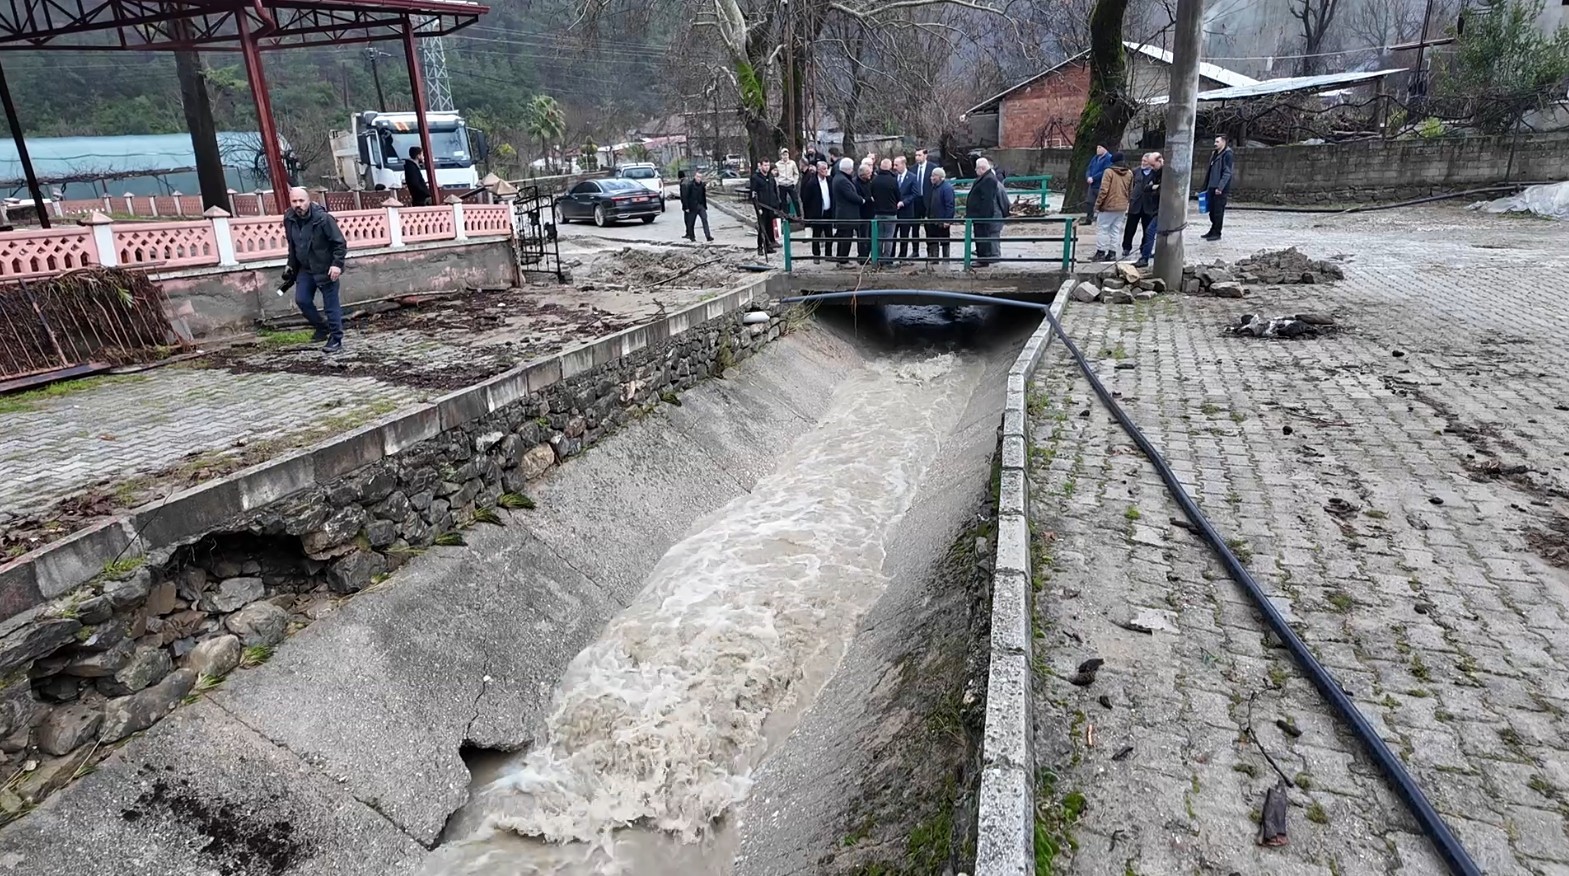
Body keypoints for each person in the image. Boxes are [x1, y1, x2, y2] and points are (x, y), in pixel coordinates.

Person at [283, 187, 348, 353]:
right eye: (294, 201)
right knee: (302, 299)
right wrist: (290, 264)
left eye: (301, 201)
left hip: (325, 268)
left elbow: (339, 243)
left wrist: (337, 265)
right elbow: (293, 245)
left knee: (330, 305)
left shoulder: (323, 219)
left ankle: (336, 338)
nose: (298, 205)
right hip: (305, 268)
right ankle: (322, 327)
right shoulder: (289, 218)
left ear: (309, 201)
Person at [967, 157, 1008, 265]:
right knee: (985, 237)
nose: (975, 171)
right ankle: (987, 257)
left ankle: (988, 258)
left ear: (982, 168)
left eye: (976, 169)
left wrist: (984, 217)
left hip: (985, 216)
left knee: (989, 237)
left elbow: (988, 200)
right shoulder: (988, 179)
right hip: (983, 216)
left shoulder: (989, 180)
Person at [1092, 152, 1133, 262]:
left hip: (1108, 205)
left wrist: (1098, 204)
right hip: (1122, 206)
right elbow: (1130, 190)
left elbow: (1104, 190)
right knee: (1115, 230)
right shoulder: (1129, 173)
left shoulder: (1109, 172)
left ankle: (1100, 252)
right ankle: (1112, 253)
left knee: (1103, 229)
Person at [1130, 153, 1163, 268]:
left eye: (1153, 165)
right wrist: (1155, 187)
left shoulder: (1165, 173)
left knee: (1150, 231)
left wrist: (1155, 187)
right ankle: (1148, 255)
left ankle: (1144, 257)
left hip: (1163, 208)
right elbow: (1147, 188)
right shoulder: (1156, 173)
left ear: (1160, 161)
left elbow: (1163, 189)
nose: (1152, 168)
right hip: (1155, 207)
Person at [830, 157, 864, 264]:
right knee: (846, 238)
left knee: (843, 238)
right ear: (849, 169)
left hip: (844, 213)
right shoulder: (842, 180)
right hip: (846, 214)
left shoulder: (839, 177)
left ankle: (841, 259)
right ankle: (843, 260)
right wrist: (861, 200)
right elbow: (850, 195)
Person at [800, 160, 834, 263]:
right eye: (824, 169)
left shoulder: (829, 180)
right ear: (818, 170)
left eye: (827, 168)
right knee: (816, 235)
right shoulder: (812, 183)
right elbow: (806, 199)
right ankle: (816, 255)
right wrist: (810, 214)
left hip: (828, 211)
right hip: (817, 213)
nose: (826, 171)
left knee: (829, 235)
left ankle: (828, 254)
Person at [1204, 135, 1234, 241]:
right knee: (1212, 210)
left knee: (1218, 211)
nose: (1215, 144)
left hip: (1220, 188)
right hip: (1212, 186)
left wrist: (1220, 187)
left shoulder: (1227, 154)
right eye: (1215, 141)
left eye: (1217, 142)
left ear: (1224, 142)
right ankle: (1212, 229)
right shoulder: (1215, 154)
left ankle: (1217, 232)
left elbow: (1227, 172)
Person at [870, 158, 900, 264]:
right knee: (888, 237)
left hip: (878, 212)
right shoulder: (893, 180)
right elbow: (898, 196)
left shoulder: (875, 180)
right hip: (891, 213)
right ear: (890, 167)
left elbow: (872, 194)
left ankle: (876, 259)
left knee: (878, 236)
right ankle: (886, 259)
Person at [924, 166, 956, 264]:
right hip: (932, 219)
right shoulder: (933, 188)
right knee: (933, 239)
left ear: (940, 177)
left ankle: (946, 259)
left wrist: (948, 220)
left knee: (944, 240)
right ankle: (934, 259)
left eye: (934, 176)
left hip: (942, 219)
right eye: (931, 175)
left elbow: (950, 205)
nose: (931, 178)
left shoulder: (947, 188)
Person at [749, 159, 781, 254]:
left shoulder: (771, 178)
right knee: (762, 227)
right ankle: (760, 247)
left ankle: (769, 246)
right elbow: (753, 194)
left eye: (768, 165)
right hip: (762, 207)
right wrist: (758, 207)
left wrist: (777, 205)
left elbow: (775, 191)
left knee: (770, 227)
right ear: (761, 166)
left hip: (771, 206)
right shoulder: (756, 178)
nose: (766, 167)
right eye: (765, 165)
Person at [910, 147, 936, 256]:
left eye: (919, 155)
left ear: (925, 156)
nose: (917, 158)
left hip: (927, 201)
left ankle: (930, 250)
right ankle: (915, 251)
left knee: (928, 227)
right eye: (916, 155)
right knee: (914, 227)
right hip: (916, 201)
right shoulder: (912, 169)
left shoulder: (932, 168)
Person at [894, 155, 919, 260]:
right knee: (893, 235)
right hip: (894, 211)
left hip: (906, 211)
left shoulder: (912, 177)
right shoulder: (893, 177)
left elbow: (915, 194)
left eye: (896, 165)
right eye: (894, 165)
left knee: (904, 235)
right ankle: (890, 256)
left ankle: (902, 256)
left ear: (903, 164)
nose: (894, 167)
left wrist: (904, 202)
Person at [1084, 143, 1112, 224]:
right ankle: (1088, 219)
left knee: (1102, 202)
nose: (1098, 149)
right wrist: (1088, 177)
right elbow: (1089, 168)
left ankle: (1103, 220)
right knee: (1089, 202)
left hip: (1101, 184)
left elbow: (1105, 171)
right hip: (1092, 184)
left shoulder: (1108, 158)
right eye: (1097, 147)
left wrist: (1094, 178)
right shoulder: (1095, 158)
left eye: (1100, 147)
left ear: (1105, 149)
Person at [856, 162, 876, 262]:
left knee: (871, 236)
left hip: (871, 212)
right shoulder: (856, 183)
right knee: (863, 236)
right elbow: (859, 198)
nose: (870, 175)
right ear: (862, 175)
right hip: (862, 214)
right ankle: (862, 257)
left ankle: (871, 255)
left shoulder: (870, 181)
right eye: (868, 173)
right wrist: (869, 199)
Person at [685, 171, 713, 242]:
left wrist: (704, 206)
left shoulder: (702, 185)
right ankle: (692, 237)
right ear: (695, 177)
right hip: (692, 206)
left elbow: (703, 196)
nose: (698, 178)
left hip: (700, 206)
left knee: (705, 220)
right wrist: (686, 207)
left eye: (700, 177)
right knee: (691, 222)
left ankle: (708, 236)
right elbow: (686, 197)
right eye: (697, 177)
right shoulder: (690, 185)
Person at [776, 148, 802, 219]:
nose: (785, 156)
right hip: (782, 184)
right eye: (784, 155)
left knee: (795, 200)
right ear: (781, 156)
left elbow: (796, 173)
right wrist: (778, 182)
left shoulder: (792, 163)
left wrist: (794, 182)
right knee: (783, 200)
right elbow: (775, 175)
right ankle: (786, 215)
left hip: (791, 184)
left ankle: (799, 215)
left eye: (786, 155)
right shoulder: (778, 164)